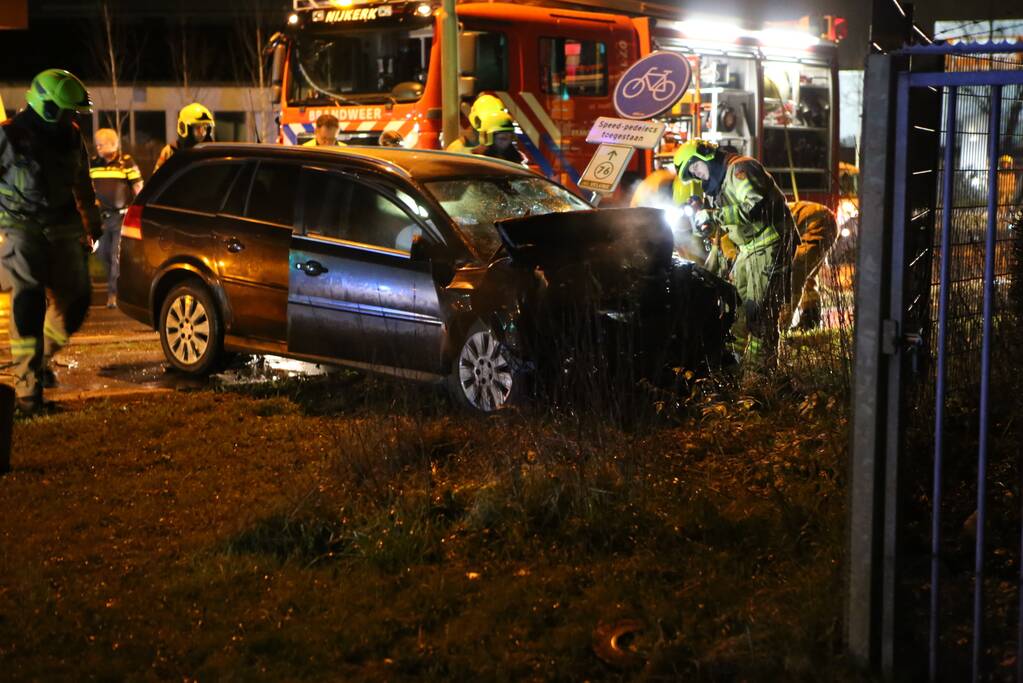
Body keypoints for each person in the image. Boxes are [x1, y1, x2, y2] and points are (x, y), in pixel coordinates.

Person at [0, 69, 102, 414]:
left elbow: (83, 183)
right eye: (68, 111)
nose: (73, 118)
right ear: (47, 106)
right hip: (19, 228)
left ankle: (40, 358)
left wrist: (92, 224)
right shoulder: (9, 137)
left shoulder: (71, 137)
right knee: (28, 302)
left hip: (61, 229)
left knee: (77, 300)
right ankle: (28, 395)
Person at [674, 139, 798, 362]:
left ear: (705, 155)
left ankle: (760, 374)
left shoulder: (741, 169)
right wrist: (704, 223)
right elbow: (724, 227)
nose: (697, 174)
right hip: (748, 249)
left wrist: (715, 215)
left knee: (760, 313)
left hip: (770, 243)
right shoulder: (716, 186)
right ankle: (734, 364)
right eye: (692, 173)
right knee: (737, 309)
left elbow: (755, 206)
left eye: (695, 167)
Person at [89, 128, 143, 308]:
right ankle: (119, 286)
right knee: (103, 253)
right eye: (97, 144)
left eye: (101, 144)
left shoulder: (126, 163)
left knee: (115, 256)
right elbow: (86, 186)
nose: (97, 147)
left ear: (113, 144)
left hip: (121, 218)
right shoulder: (94, 163)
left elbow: (138, 188)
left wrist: (139, 210)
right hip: (102, 219)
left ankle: (114, 294)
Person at [784, 200, 838, 331]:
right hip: (821, 221)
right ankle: (810, 319)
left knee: (796, 273)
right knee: (807, 276)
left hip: (818, 223)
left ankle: (782, 325)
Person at [154, 102, 214, 172]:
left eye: (205, 127)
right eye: (197, 127)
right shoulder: (170, 151)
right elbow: (158, 176)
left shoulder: (211, 151)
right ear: (183, 128)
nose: (202, 132)